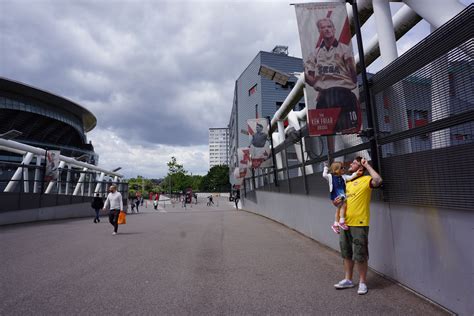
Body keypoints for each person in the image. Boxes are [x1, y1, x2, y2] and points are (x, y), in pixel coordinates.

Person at [333, 157, 382, 295]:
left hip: (359, 223)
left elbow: (378, 181)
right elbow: (340, 203)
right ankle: (348, 280)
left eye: (354, 163)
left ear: (361, 168)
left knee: (360, 254)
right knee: (346, 253)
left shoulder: (366, 180)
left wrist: (368, 166)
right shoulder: (345, 182)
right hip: (345, 223)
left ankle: (362, 282)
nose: (351, 164)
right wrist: (336, 203)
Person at [304, 17, 360, 133]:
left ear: (334, 29)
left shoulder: (345, 50)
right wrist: (319, 84)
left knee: (349, 133)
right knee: (328, 132)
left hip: (344, 94)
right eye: (323, 27)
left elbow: (354, 78)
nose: (327, 29)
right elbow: (309, 77)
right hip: (325, 96)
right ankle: (332, 151)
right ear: (319, 31)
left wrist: (351, 67)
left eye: (329, 26)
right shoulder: (315, 54)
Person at [322, 161, 360, 233]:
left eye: (343, 167)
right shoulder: (330, 176)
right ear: (336, 169)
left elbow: (351, 177)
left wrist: (356, 173)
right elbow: (324, 175)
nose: (344, 169)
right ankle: (341, 222)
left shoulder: (344, 177)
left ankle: (335, 224)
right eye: (342, 168)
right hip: (336, 195)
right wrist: (326, 167)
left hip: (342, 195)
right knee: (343, 206)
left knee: (339, 209)